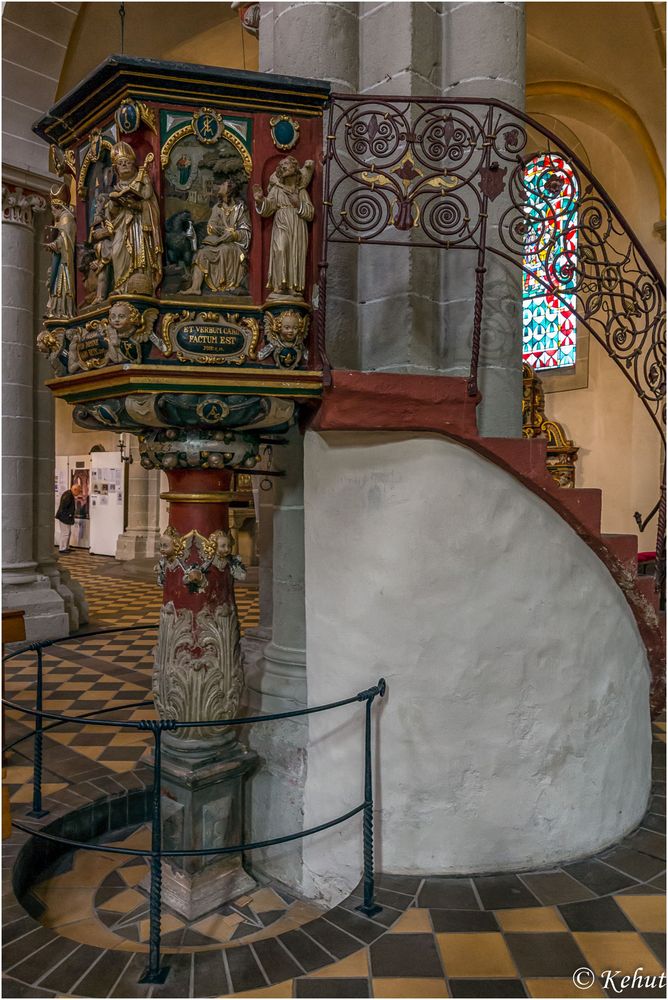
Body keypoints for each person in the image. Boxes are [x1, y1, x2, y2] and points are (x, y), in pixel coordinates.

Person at [253, 156, 315, 299]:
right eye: (281, 165)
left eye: (286, 164)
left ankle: (293, 286)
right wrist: (260, 200)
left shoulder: (301, 192)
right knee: (280, 248)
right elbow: (268, 208)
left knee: (295, 253)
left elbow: (310, 213)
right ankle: (279, 286)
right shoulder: (276, 190)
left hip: (298, 224)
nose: (283, 167)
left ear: (295, 168)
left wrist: (298, 204)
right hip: (281, 222)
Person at [182, 179, 251, 294]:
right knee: (202, 253)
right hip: (218, 241)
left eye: (223, 184)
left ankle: (229, 284)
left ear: (230, 189)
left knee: (225, 249)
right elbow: (211, 226)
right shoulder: (217, 208)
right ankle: (195, 288)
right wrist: (221, 230)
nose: (219, 186)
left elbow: (246, 232)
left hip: (234, 245)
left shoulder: (240, 208)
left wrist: (233, 234)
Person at [55, 483, 81, 553]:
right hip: (64, 517)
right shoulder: (68, 495)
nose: (79, 493)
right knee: (65, 533)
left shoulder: (69, 494)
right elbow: (64, 507)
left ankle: (66, 547)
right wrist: (69, 514)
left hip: (65, 517)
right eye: (79, 491)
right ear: (75, 490)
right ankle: (62, 548)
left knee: (68, 533)